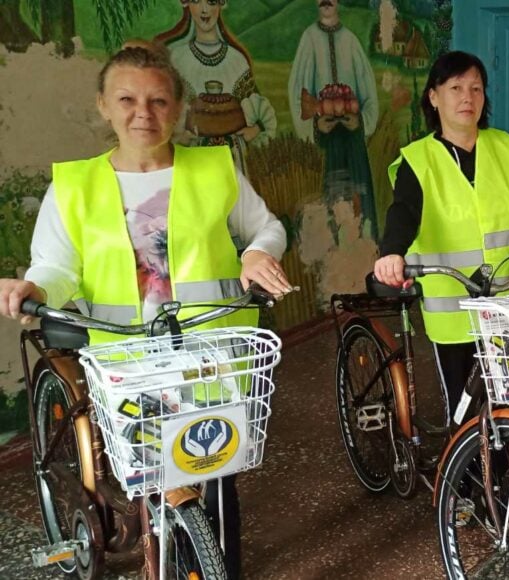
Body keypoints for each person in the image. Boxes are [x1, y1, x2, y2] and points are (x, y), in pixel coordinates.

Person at [0, 45, 291, 579]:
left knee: (219, 474)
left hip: (211, 351)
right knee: (148, 475)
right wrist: (35, 284)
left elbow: (267, 227)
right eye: (128, 99)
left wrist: (257, 251)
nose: (144, 113)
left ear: (177, 108)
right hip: (124, 358)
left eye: (158, 101)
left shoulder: (214, 169)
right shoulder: (74, 186)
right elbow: (57, 265)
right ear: (103, 106)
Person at [374, 51, 509, 422]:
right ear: (434, 97)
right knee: (466, 406)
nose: (467, 97)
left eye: (475, 88)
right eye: (455, 87)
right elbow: (403, 213)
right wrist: (391, 253)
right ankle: (468, 476)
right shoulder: (418, 159)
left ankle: (501, 473)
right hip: (453, 307)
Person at [288, 0, 380, 238]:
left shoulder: (350, 40)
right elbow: (298, 92)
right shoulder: (309, 39)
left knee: (360, 207)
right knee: (330, 205)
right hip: (325, 144)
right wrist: (315, 126)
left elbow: (369, 93)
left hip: (353, 142)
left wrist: (359, 121)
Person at [156, 0, 278, 175]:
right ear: (187, 5)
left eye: (212, 2)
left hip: (234, 163)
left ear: (221, 5)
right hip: (192, 163)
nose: (205, 10)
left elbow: (262, 115)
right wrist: (178, 136)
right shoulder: (177, 59)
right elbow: (164, 112)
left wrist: (255, 130)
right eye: (197, 2)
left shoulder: (237, 61)